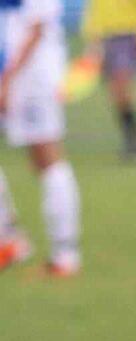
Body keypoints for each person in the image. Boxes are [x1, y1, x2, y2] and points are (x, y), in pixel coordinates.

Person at [0, 0, 81, 277]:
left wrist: (7, 79)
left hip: (34, 79)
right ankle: (9, 239)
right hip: (23, 77)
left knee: (49, 160)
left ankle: (65, 254)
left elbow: (36, 30)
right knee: (41, 162)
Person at [79, 0, 136, 158]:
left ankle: (133, 139)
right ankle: (134, 133)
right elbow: (94, 10)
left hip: (129, 36)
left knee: (121, 87)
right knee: (115, 93)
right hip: (104, 38)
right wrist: (92, 39)